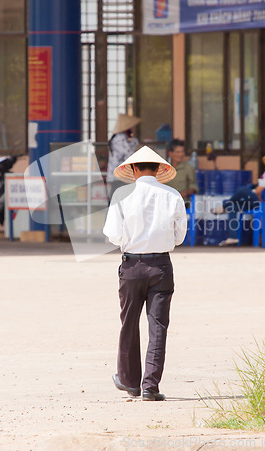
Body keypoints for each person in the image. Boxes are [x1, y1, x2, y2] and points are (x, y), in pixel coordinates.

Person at [103, 145, 187, 401]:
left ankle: (129, 382)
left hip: (131, 266)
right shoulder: (173, 195)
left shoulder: (122, 195)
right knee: (158, 326)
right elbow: (180, 237)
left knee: (129, 323)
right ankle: (151, 386)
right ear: (160, 169)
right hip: (161, 266)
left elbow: (113, 235)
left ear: (133, 169)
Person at [211, 148, 265, 246]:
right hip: (259, 202)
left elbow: (259, 191)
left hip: (264, 202)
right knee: (233, 207)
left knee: (242, 190)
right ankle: (233, 237)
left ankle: (224, 206)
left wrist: (255, 193)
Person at [106, 113, 141, 200]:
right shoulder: (120, 138)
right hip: (120, 176)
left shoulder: (123, 138)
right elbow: (129, 155)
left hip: (119, 176)